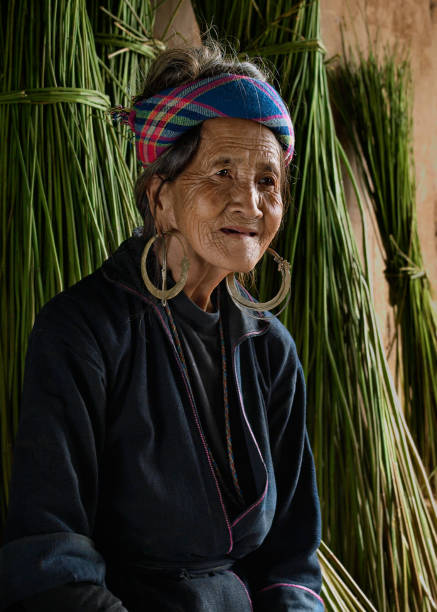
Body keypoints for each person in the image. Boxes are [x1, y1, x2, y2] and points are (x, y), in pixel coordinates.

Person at [0, 43, 323, 611]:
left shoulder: (272, 351)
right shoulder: (83, 333)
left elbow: (293, 559)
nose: (249, 202)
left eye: (267, 181)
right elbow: (52, 556)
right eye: (222, 172)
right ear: (161, 198)